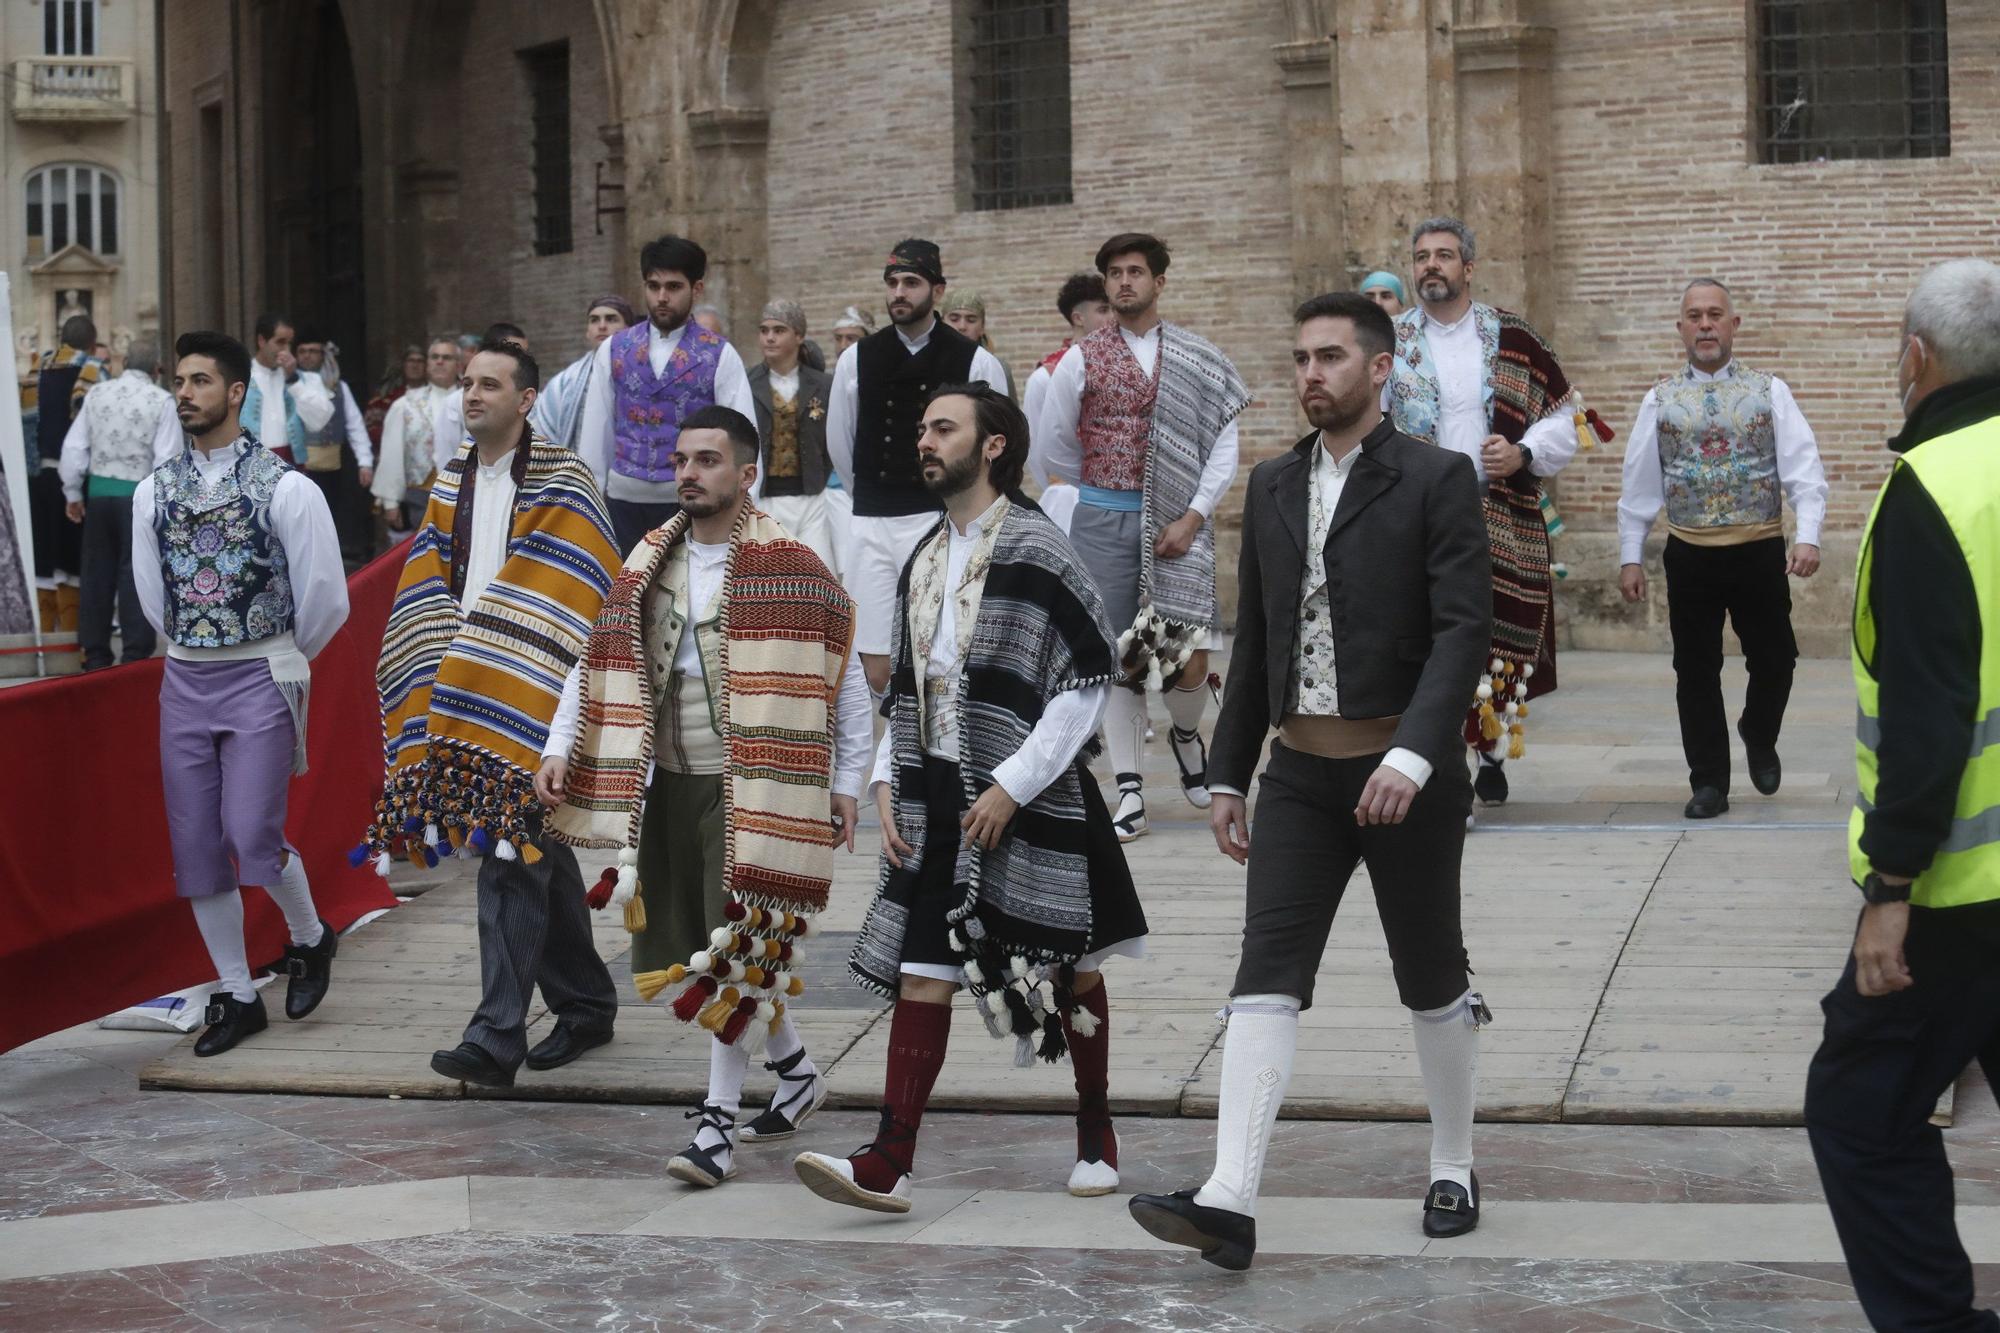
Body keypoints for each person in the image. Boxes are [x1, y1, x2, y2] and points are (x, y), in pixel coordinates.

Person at [1129, 293, 1492, 1270]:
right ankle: (1229, 1197)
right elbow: (1256, 640)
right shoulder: (1274, 484)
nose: (1309, 374)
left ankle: (1451, 1160)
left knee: (1430, 974)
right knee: (1265, 976)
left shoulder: (1434, 478)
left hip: (1402, 774)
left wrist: (1416, 753)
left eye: (1328, 356)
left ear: (1377, 370)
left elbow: (1465, 626)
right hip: (1296, 776)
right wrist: (1223, 774)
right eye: (1297, 358)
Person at [795, 384, 1147, 1213]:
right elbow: (911, 689)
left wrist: (1011, 786)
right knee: (923, 972)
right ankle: (889, 1158)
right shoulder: (921, 554)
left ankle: (1095, 1123)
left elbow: (1084, 682)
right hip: (938, 799)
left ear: (993, 446)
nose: (925, 440)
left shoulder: (1038, 546)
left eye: (942, 428)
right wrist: (886, 779)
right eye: (921, 427)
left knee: (1068, 969)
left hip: (1034, 795)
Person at [542, 404, 870, 1187]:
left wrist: (850, 780)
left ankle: (715, 1126)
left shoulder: (791, 561)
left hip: (761, 787)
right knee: (716, 952)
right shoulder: (651, 554)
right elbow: (598, 658)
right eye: (682, 459)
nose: (688, 472)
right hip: (671, 784)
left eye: (708, 460)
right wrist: (557, 744)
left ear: (746, 473)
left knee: (733, 950)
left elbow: (846, 672)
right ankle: (794, 1072)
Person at [1803, 258, 2000, 1333]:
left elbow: (1930, 713)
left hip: (1959, 890)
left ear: (1914, 358)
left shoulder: (1932, 486)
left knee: (1859, 1105)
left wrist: (1889, 883)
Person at [353, 339, 623, 1089]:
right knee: (537, 852)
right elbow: (426, 585)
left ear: (526, 399)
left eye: (489, 384)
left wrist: (522, 666)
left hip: (540, 692)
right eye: (467, 383)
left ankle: (496, 1034)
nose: (472, 394)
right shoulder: (449, 482)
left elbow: (581, 595)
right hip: (469, 694)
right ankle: (586, 1002)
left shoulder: (567, 482)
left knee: (511, 855)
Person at [133, 331, 350, 1056]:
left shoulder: (286, 486)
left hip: (261, 670)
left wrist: (278, 652)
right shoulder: (152, 490)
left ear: (235, 394)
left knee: (250, 832)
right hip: (185, 678)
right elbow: (152, 598)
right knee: (196, 844)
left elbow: (324, 596)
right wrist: (197, 642)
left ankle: (310, 936)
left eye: (200, 380)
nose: (185, 392)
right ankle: (235, 991)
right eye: (180, 380)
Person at [1032, 233, 1250, 841]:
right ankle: (1130, 789)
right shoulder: (1081, 358)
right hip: (1103, 519)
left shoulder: (1197, 357)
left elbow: (1223, 441)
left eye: (1136, 271)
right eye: (1114, 273)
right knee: (1120, 658)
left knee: (1188, 660)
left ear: (1159, 281)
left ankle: (1185, 736)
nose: (1125, 282)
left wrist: (1193, 514)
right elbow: (1056, 445)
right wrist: (1105, 498)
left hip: (1180, 524)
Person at [1386, 216, 1591, 810]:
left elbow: (1564, 418)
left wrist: (1522, 451)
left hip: (1497, 506)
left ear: (1468, 268)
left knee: (1497, 631)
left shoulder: (1514, 336)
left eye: (1443, 255)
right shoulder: (1387, 340)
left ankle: (1491, 744)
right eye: (1421, 255)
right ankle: (1443, 762)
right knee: (1428, 633)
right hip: (1416, 512)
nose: (1430, 265)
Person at [1617, 279, 1827, 820]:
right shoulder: (1658, 399)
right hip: (1690, 554)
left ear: (1734, 325)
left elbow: (1804, 469)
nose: (1705, 324)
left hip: (1759, 550)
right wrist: (1630, 554)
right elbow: (1640, 484)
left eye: (1715, 315)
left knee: (1777, 657)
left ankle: (1758, 731)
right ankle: (1709, 781)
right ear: (1681, 328)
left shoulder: (1769, 390)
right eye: (1695, 316)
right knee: (1695, 669)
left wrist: (1808, 535)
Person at [827, 239, 1011, 698]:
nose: (899, 292)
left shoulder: (974, 360)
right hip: (870, 519)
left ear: (938, 290)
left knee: (937, 653)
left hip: (941, 519)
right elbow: (839, 439)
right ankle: (898, 760)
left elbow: (1000, 444)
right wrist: (868, 494)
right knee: (875, 666)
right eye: (892, 283)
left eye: (911, 282)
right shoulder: (857, 358)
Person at [575, 236, 757, 554]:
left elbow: (743, 436)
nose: (661, 297)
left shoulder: (719, 354)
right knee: (626, 596)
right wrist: (587, 506)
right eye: (653, 286)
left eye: (673, 287)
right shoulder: (614, 349)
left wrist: (745, 507)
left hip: (691, 501)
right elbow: (596, 430)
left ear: (696, 289)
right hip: (622, 504)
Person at [59, 336, 179, 668]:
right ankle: (134, 654)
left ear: (124, 364)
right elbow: (166, 460)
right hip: (138, 498)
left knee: (96, 573)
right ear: (157, 369)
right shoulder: (163, 400)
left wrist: (72, 492)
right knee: (134, 573)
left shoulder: (97, 394)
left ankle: (95, 653)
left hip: (98, 495)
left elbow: (74, 448)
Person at [22, 314, 107, 630]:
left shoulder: (36, 370)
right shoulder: (94, 371)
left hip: (39, 474)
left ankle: (44, 635)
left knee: (44, 553)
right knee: (74, 557)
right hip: (77, 478)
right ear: (90, 343)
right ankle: (71, 635)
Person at [746, 299, 840, 573]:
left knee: (819, 573)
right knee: (768, 576)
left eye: (779, 330)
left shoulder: (823, 385)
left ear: (798, 335)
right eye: (764, 330)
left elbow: (834, 439)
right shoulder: (747, 382)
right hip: (764, 497)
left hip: (812, 496)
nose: (770, 337)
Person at [293, 333, 377, 561]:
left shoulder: (337, 386)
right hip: (297, 466)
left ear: (323, 354)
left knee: (329, 518)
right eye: (303, 351)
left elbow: (355, 424)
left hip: (332, 468)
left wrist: (365, 462)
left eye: (313, 351)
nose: (308, 356)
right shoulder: (288, 385)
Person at [372, 337, 458, 537]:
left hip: (465, 494)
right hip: (421, 495)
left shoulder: (471, 401)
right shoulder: (405, 404)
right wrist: (391, 501)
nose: (439, 361)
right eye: (434, 357)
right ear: (427, 364)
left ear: (459, 364)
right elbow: (392, 454)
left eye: (446, 357)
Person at [1022, 271, 1114, 454]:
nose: (1113, 317)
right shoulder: (1046, 376)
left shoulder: (1124, 365)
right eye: (1103, 310)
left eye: (1114, 309)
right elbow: (1037, 447)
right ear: (1078, 318)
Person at [531, 295, 637, 451]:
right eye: (594, 320)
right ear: (588, 332)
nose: (601, 326)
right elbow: (543, 427)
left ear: (629, 330)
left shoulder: (642, 374)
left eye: (611, 319)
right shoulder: (566, 381)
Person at [430, 323, 528, 481]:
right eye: (515, 352)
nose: (523, 360)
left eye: (525, 354)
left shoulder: (531, 399)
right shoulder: (455, 403)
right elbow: (446, 459)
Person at [242, 313, 334, 467]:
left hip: (290, 461)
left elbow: (319, 421)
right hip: (251, 463)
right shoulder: (240, 377)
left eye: (289, 343)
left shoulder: (303, 379)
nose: (286, 349)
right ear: (261, 341)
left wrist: (293, 381)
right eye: (280, 342)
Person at [941, 290, 1015, 398]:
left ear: (982, 327)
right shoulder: (927, 360)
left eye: (971, 320)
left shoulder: (997, 367)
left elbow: (1009, 412)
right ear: (942, 323)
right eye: (954, 319)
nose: (962, 326)